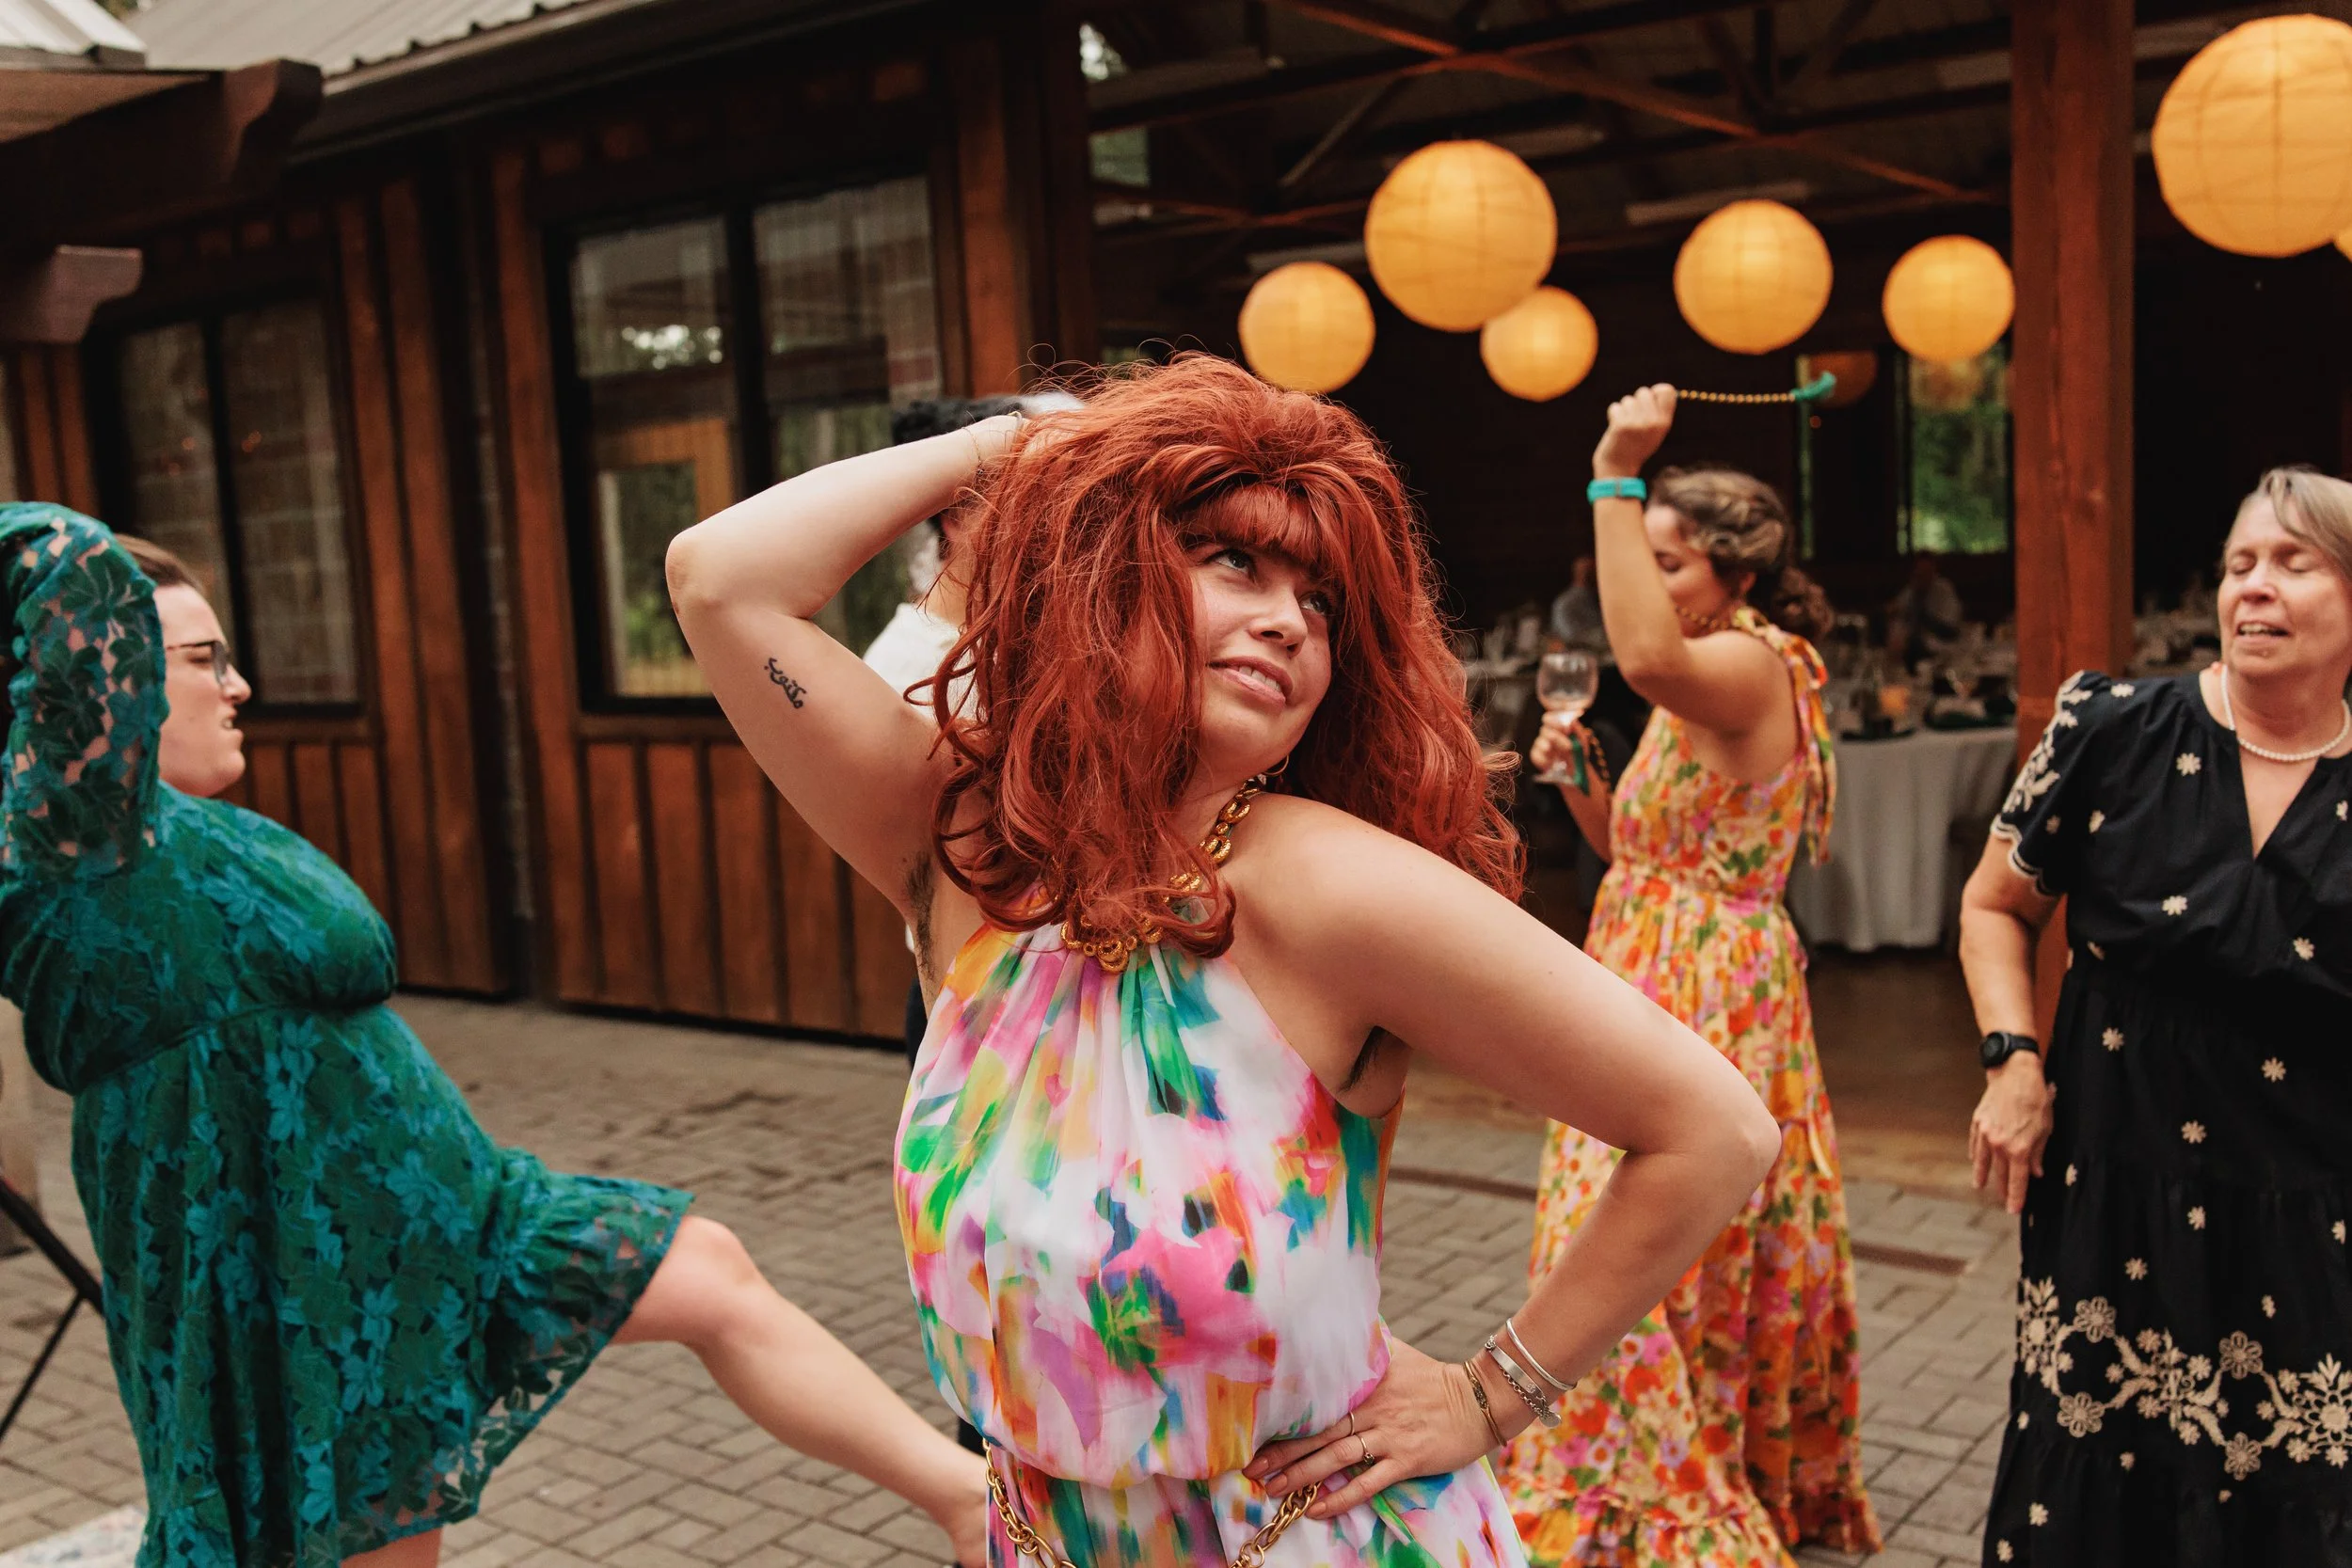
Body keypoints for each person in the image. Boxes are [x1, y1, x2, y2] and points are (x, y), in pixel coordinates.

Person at [667, 354, 1784, 1568]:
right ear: (1108, 572)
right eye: (1234, 559)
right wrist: (1038, 453)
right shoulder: (967, 842)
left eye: (1324, 602)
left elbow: (1713, 1128)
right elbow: (720, 580)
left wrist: (1492, 1391)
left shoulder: (1325, 883)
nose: (1288, 617)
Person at [0, 505, 987, 1568]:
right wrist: (987, 455)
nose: (237, 686)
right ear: (110, 681)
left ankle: (972, 1503)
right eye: (201, 660)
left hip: (423, 1207)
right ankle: (974, 1506)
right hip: (270, 1252)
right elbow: (61, 560)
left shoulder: (195, 827)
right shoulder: (72, 839)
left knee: (707, 1272)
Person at [1507, 385, 1879, 1566]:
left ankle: (1653, 1488)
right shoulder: (1705, 677)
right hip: (1641, 952)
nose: (1653, 578)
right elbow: (1640, 849)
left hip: (1713, 983)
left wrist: (1614, 469)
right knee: (1632, 1231)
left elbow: (1642, 652)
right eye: (1649, 556)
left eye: (1671, 559)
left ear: (1735, 574)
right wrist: (1579, 780)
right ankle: (1643, 1463)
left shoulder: (1755, 669)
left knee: (1634, 1229)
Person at [1959, 467, 2352, 1568]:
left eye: (2292, 562)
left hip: (2309, 1216)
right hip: (2113, 1196)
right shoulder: (2109, 726)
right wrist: (2012, 1059)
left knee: (2291, 1495)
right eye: (2238, 565)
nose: (2253, 588)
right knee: (2094, 1483)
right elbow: (1994, 903)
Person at [1887, 551, 1963, 666]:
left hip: (1941, 647)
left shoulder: (1944, 590)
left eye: (1926, 571)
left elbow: (1950, 629)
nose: (1922, 575)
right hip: (1911, 649)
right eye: (1919, 571)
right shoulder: (1910, 591)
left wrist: (1923, 617)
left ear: (1934, 571)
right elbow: (1897, 613)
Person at [1549, 554, 1608, 652]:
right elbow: (1570, 637)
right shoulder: (1565, 604)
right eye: (1591, 572)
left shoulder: (1597, 599)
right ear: (1580, 574)